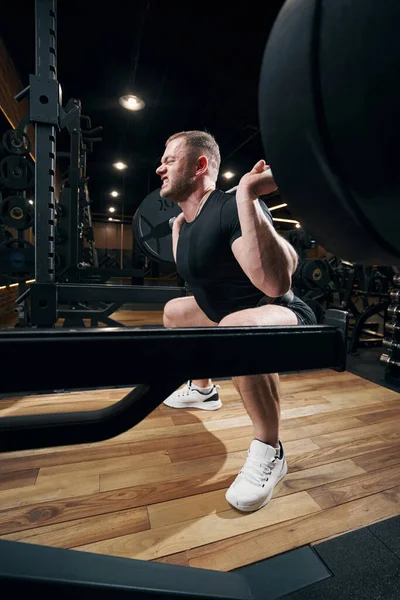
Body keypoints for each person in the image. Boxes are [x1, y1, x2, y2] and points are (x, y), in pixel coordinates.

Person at [155, 130, 317, 513]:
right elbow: (204, 286)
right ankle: (203, 389)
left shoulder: (230, 205)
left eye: (170, 160)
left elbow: (275, 284)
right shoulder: (182, 225)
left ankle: (270, 449)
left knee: (236, 329)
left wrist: (247, 193)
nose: (160, 167)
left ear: (200, 166)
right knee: (174, 312)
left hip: (283, 311)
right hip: (229, 312)